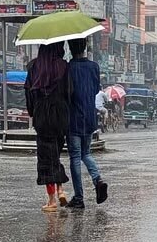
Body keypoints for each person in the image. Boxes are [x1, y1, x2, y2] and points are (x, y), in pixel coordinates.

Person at [25, 42, 70, 212]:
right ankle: (61, 190)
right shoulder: (64, 67)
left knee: (46, 159)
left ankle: (52, 199)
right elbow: (69, 92)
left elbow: (28, 92)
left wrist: (32, 112)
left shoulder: (33, 66)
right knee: (55, 154)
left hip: (42, 115)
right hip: (60, 115)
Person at [66, 38, 108, 209]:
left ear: (70, 48)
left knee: (75, 156)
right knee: (86, 153)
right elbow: (96, 88)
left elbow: (66, 92)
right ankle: (97, 179)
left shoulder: (68, 68)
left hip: (73, 118)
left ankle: (78, 197)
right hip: (90, 117)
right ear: (85, 47)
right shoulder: (94, 67)